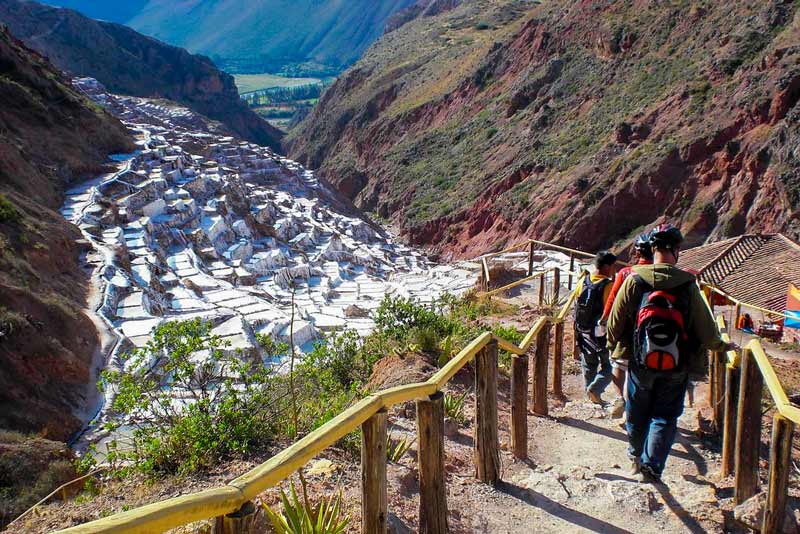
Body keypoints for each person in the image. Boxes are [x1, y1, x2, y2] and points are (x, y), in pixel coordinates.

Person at [607, 224, 736, 483]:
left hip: (640, 361)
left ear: (652, 249)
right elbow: (707, 331)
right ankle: (652, 466)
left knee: (637, 412)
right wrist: (723, 346)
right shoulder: (688, 284)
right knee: (665, 416)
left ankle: (635, 457)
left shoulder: (634, 279)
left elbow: (614, 323)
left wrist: (617, 346)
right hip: (678, 364)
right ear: (677, 250)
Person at [601, 233, 654, 419]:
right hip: (652, 331)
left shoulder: (626, 273)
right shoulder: (661, 273)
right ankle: (640, 406)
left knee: (619, 364)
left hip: (626, 329)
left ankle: (619, 398)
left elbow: (613, 300)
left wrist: (605, 319)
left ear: (638, 252)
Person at [575, 251, 617, 404]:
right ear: (606, 266)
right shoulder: (609, 285)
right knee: (610, 366)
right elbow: (612, 309)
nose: (614, 269)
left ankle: (591, 395)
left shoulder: (583, 281)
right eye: (613, 266)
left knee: (588, 364)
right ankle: (595, 389)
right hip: (601, 333)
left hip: (583, 331)